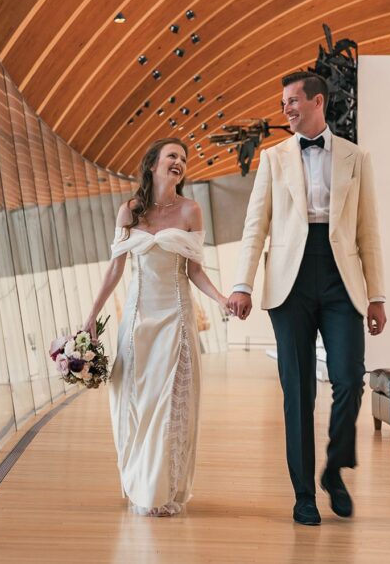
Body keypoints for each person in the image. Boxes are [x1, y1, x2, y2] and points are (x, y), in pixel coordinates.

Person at [227, 71, 387, 526]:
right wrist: (241, 283)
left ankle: (334, 470)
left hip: (342, 279)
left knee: (349, 379)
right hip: (289, 281)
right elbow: (255, 225)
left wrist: (376, 295)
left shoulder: (357, 158)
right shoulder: (273, 158)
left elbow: (368, 231)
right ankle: (303, 496)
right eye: (282, 104)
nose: (286, 109)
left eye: (293, 101)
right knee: (296, 391)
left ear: (317, 101)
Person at [84, 138, 229, 516]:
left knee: (169, 404)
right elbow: (115, 270)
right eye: (172, 156)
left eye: (183, 158)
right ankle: (138, 481)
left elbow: (195, 270)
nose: (179, 161)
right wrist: (91, 317)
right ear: (153, 165)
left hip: (175, 319)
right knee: (134, 401)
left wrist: (221, 298)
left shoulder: (191, 211)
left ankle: (161, 488)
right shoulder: (130, 211)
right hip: (136, 320)